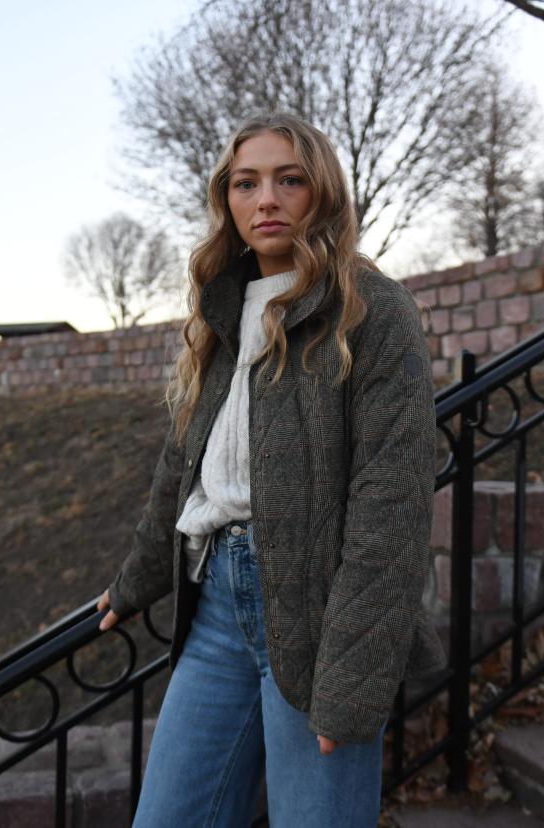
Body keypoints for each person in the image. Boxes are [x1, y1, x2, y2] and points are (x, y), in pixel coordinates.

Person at [96, 112, 446, 828]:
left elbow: (392, 506)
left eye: (290, 180)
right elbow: (182, 463)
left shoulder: (373, 310)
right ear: (226, 200)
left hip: (319, 613)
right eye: (246, 183)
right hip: (216, 606)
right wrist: (135, 580)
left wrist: (350, 679)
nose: (267, 200)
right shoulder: (220, 312)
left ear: (322, 194)